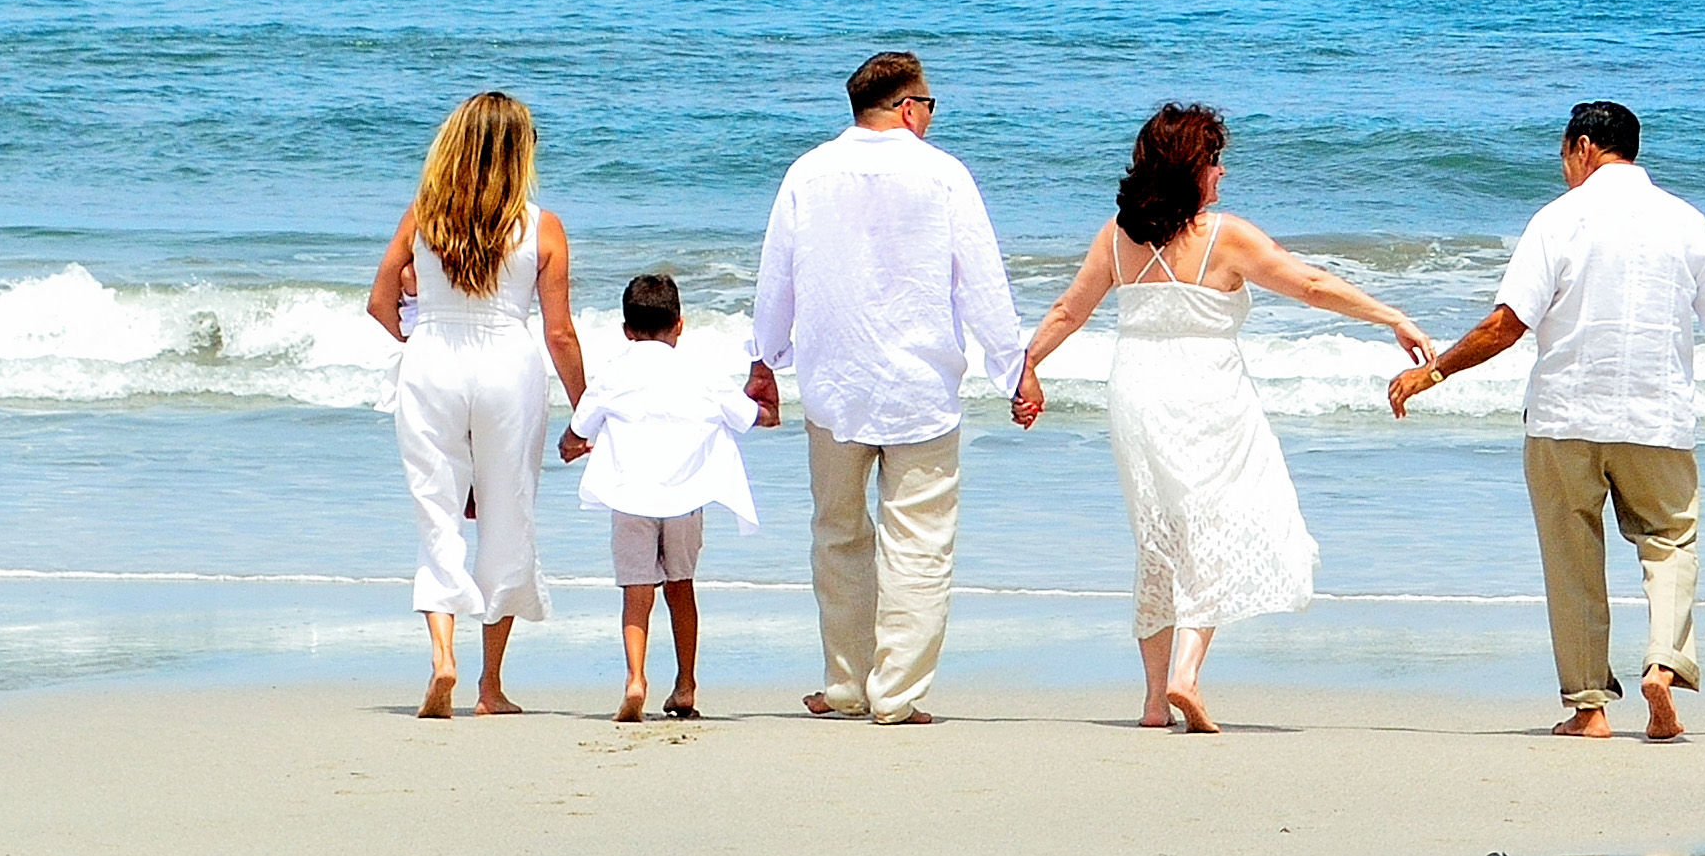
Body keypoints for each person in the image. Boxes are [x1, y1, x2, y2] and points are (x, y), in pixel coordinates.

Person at [1391, 101, 1705, 739]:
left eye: (1564, 154)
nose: (1564, 168)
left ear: (1584, 147)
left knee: (1572, 562)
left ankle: (1590, 709)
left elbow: (1507, 325)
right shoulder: (1684, 221)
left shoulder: (1556, 221)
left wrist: (1436, 371)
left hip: (1564, 418)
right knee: (1671, 542)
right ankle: (1663, 667)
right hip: (1658, 418)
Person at [1010, 100, 1428, 736]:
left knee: (1157, 540)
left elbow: (1070, 310)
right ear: (1189, 167)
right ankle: (1187, 675)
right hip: (1208, 396)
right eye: (1214, 161)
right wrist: (1392, 316)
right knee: (1217, 526)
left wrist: (1027, 367)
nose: (1222, 173)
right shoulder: (1222, 236)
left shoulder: (1118, 236)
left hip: (1136, 395)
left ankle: (1154, 702)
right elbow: (1310, 284)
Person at [742, 50, 1021, 727]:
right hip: (920, 386)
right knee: (919, 539)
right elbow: (981, 281)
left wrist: (764, 359)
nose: (930, 115)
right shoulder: (944, 174)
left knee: (838, 534)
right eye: (928, 104)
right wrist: (1013, 369)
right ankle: (895, 693)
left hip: (834, 382)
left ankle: (845, 682)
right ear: (906, 107)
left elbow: (776, 275)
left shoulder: (808, 172)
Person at [368, 89, 581, 721]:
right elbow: (560, 332)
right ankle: (490, 688)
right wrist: (585, 411)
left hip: (432, 364)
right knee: (506, 517)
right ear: (522, 153)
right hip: (507, 372)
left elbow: (380, 301)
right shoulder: (541, 226)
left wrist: (421, 335)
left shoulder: (424, 216)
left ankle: (442, 660)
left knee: (437, 515)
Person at [558, 267, 753, 721]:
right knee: (681, 587)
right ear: (679, 324)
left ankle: (635, 680)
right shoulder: (701, 371)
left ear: (626, 330)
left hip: (630, 498)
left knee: (636, 591)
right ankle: (685, 686)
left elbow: (578, 430)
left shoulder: (612, 374)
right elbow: (746, 416)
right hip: (684, 500)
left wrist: (572, 445)